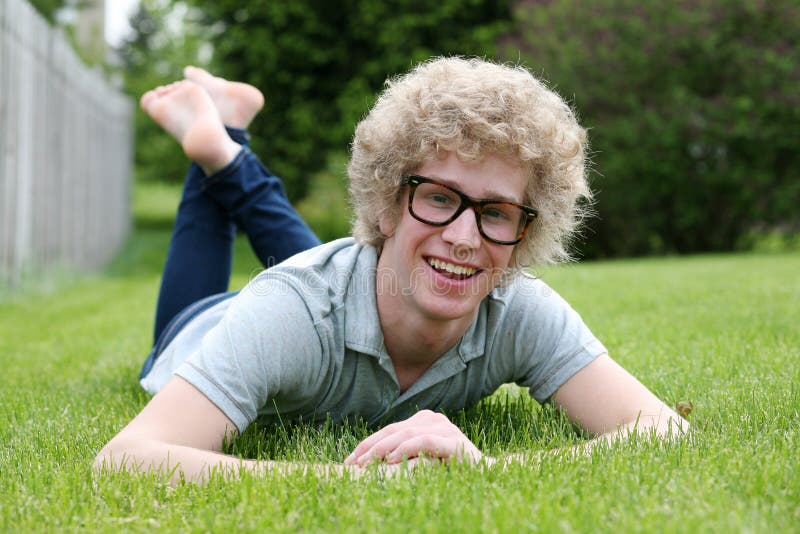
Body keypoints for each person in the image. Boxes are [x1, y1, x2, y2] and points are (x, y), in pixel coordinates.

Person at [95, 58, 686, 481]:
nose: (463, 237)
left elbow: (663, 433)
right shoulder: (287, 310)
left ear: (526, 231)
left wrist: (484, 469)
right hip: (205, 326)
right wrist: (350, 481)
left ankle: (226, 137)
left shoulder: (516, 306)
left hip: (357, 286)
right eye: (437, 197)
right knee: (306, 290)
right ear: (384, 200)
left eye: (496, 212)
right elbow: (126, 458)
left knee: (388, 267)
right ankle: (220, 147)